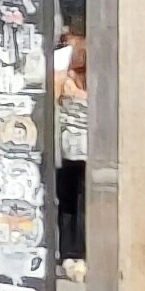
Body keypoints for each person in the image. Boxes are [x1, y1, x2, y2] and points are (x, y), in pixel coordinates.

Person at [55, 25, 91, 276]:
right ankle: (73, 252)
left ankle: (73, 251)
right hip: (77, 151)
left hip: (77, 151)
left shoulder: (69, 80)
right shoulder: (66, 78)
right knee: (74, 203)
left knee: (74, 203)